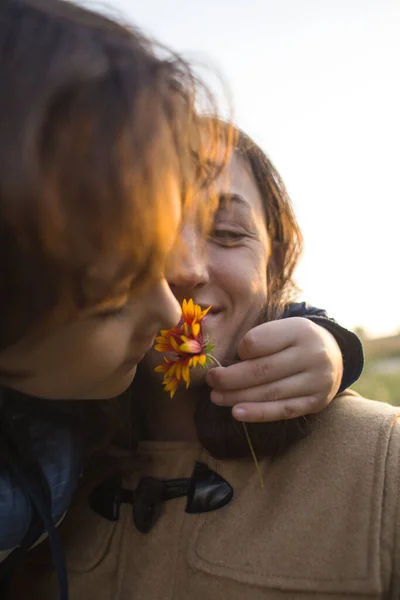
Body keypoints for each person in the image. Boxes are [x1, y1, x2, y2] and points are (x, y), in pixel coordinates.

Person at [15, 126, 397, 600]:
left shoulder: (387, 461)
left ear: (274, 264)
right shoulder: (34, 452)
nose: (187, 269)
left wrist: (340, 347)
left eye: (229, 233)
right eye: (148, 232)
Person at [0, 0, 228, 596]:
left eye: (157, 266)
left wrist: (327, 343)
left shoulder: (78, 388)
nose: (171, 312)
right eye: (110, 296)